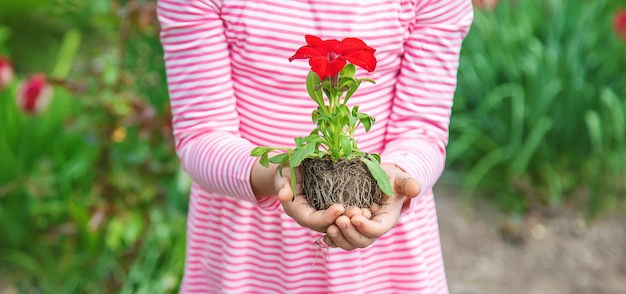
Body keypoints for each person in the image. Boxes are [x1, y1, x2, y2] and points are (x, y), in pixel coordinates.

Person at [157, 0, 473, 293]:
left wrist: (399, 175)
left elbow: (423, 129)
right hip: (248, 253)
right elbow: (201, 135)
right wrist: (281, 175)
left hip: (384, 253)